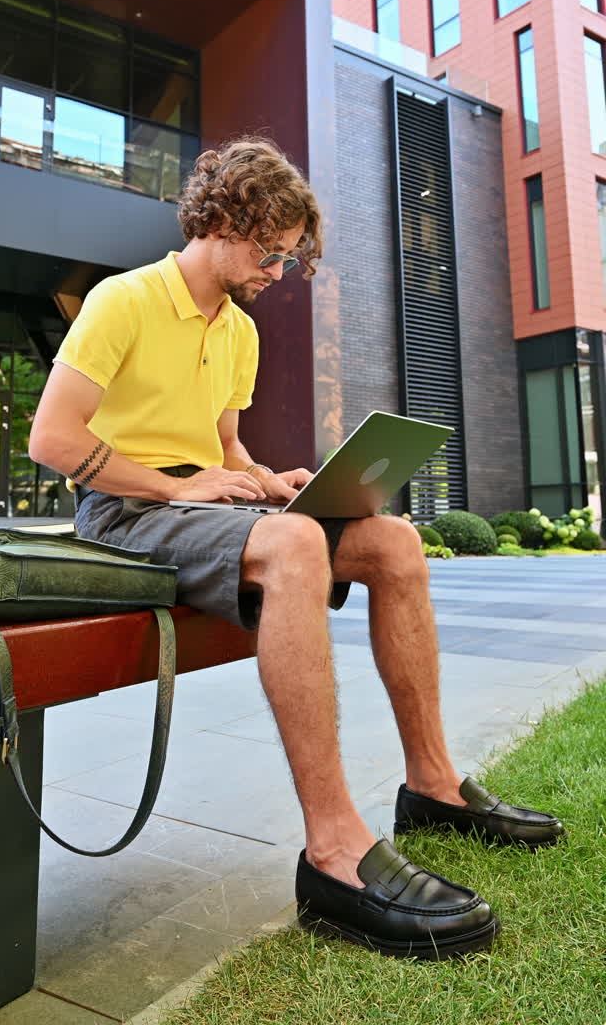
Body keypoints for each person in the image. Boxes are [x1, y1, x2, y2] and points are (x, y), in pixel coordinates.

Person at [29, 136, 564, 960]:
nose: (278, 273)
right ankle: (334, 849)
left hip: (203, 503)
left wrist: (270, 479)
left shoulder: (237, 331)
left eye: (287, 258)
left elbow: (225, 447)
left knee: (390, 541)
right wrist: (179, 487)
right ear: (221, 220)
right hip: (126, 511)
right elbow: (52, 439)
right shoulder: (122, 300)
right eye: (270, 252)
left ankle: (433, 785)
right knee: (293, 550)